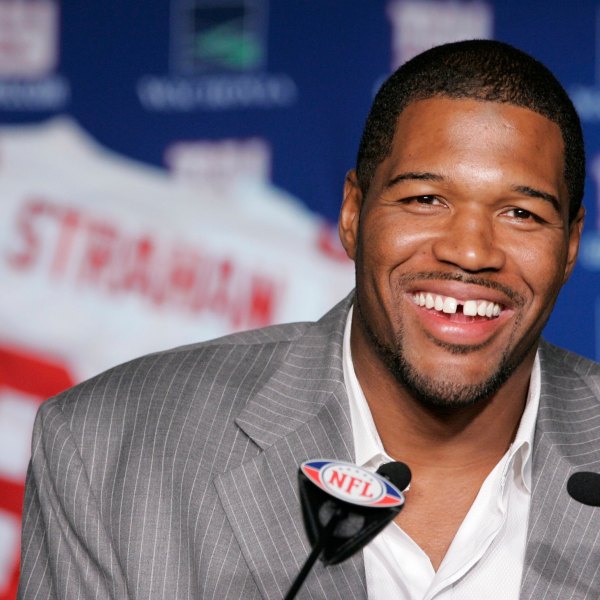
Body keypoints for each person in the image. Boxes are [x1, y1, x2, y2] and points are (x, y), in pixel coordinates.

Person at [17, 39, 598, 600]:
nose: (471, 252)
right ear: (352, 214)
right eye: (425, 199)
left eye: (520, 213)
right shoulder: (107, 448)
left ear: (570, 246)